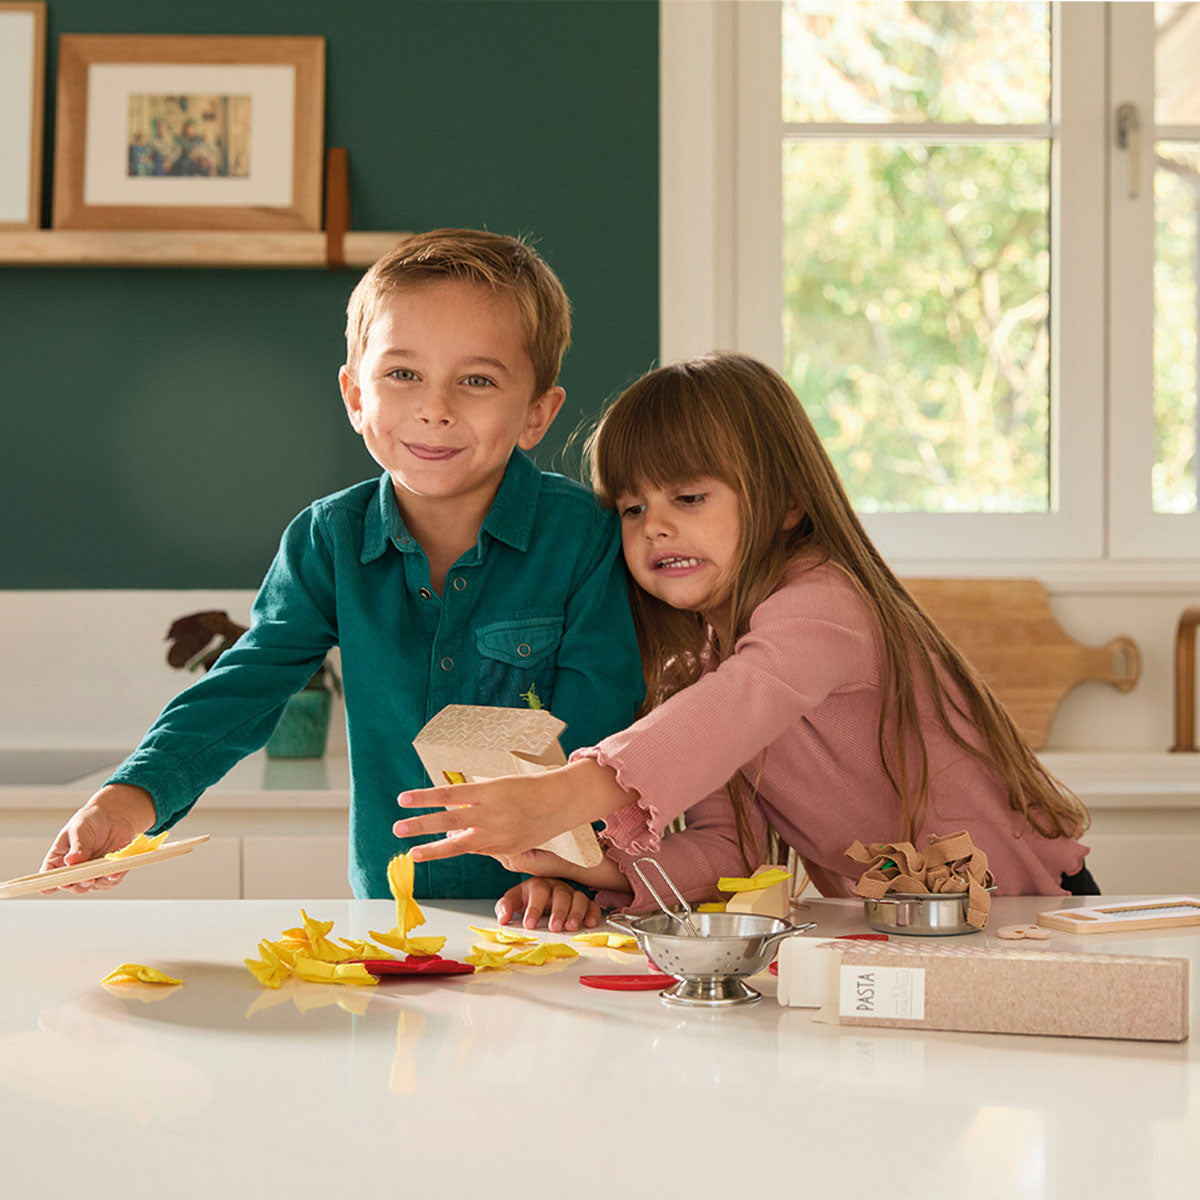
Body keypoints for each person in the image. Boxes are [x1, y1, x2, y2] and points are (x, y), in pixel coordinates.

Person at [40, 228, 645, 905]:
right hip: (392, 915)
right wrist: (129, 799)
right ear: (357, 396)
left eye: (476, 380)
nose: (434, 408)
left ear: (537, 413)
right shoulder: (328, 539)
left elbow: (606, 724)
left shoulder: (586, 538)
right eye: (403, 374)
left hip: (557, 911)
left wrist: (561, 877)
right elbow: (243, 687)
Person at [391, 352, 1097, 926]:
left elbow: (737, 705)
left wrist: (564, 794)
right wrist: (589, 869)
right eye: (633, 508)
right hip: (908, 930)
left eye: (688, 498)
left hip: (1027, 912)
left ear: (787, 501)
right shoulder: (705, 664)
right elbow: (728, 854)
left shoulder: (827, 606)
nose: (655, 526)